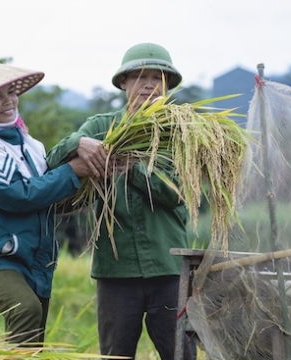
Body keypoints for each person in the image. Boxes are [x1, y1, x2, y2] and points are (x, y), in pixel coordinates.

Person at [46, 43, 195, 360]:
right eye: (141, 76)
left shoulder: (177, 132)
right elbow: (51, 165)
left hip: (167, 266)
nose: (150, 84)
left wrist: (133, 168)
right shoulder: (101, 128)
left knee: (181, 353)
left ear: (167, 86)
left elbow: (176, 193)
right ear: (123, 82)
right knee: (116, 355)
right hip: (116, 269)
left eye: (158, 78)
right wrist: (78, 143)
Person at [0, 58, 96, 345]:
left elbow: (50, 199)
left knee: (33, 340)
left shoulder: (32, 146)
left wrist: (94, 180)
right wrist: (71, 171)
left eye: (11, 92)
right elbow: (16, 196)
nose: (8, 101)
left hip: (38, 259)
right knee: (25, 310)